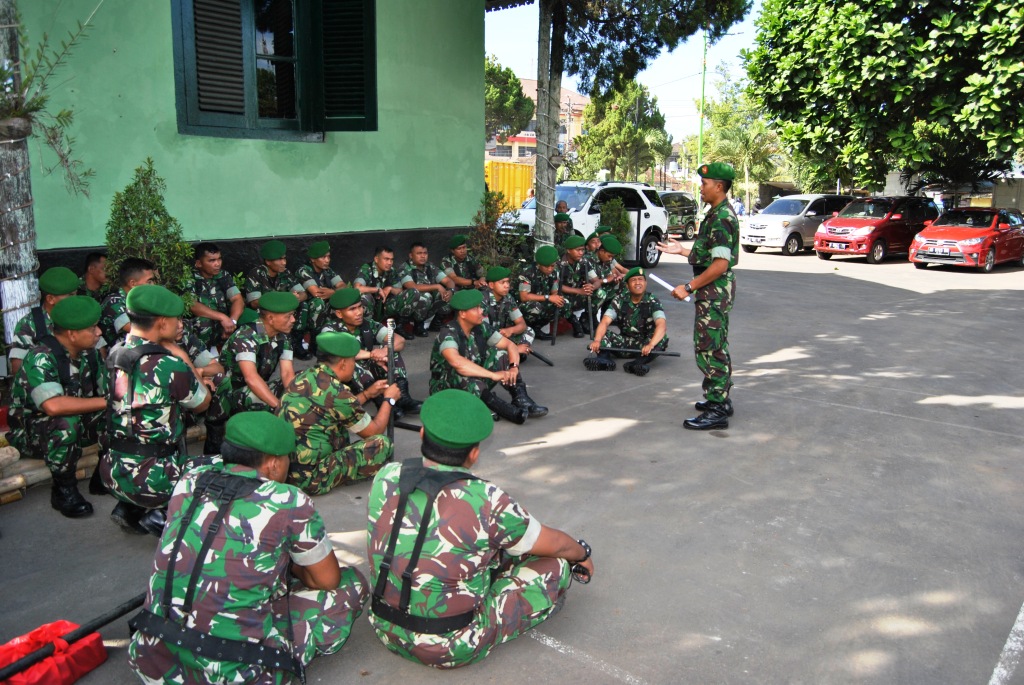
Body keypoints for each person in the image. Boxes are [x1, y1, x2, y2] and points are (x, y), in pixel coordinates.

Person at [128, 411, 368, 684]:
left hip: (151, 659)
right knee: (351, 585)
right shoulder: (287, 500)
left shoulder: (189, 481)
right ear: (274, 464)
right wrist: (292, 565)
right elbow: (327, 579)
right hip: (235, 674)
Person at [366, 389, 594, 669]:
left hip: (385, 627)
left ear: (422, 433)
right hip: (451, 645)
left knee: (492, 548)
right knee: (557, 565)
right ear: (474, 454)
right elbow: (555, 544)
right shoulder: (487, 499)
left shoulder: (387, 476)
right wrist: (581, 553)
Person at [99, 285, 212, 535]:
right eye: (176, 319)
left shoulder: (114, 355)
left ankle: (129, 507)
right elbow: (203, 403)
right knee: (219, 472)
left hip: (112, 470)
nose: (179, 324)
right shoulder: (168, 363)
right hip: (157, 478)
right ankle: (162, 515)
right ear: (162, 323)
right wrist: (182, 356)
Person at [657, 162, 740, 430]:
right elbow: (710, 253)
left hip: (713, 293)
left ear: (719, 186)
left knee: (709, 347)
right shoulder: (716, 214)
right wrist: (682, 251)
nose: (700, 188)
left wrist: (689, 287)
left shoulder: (722, 218)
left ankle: (717, 408)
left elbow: (720, 265)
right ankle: (720, 398)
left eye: (704, 184)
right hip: (715, 292)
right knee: (716, 344)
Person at [8, 296, 108, 518]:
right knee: (65, 423)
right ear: (72, 334)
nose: (99, 332)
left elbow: (108, 390)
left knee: (120, 413)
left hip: (75, 421)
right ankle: (64, 490)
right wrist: (109, 402)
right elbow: (53, 406)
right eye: (93, 328)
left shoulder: (89, 354)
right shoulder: (41, 357)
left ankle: (103, 475)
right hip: (34, 433)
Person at [278, 332, 399, 495]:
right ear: (343, 363)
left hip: (285, 470)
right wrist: (389, 400)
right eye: (353, 362)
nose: (354, 367)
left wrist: (368, 394)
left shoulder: (303, 377)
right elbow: (374, 430)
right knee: (382, 444)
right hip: (311, 479)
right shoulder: (338, 392)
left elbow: (332, 405)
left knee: (340, 424)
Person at [429, 289, 545, 423]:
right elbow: (457, 363)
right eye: (476, 308)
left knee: (501, 354)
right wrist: (493, 375)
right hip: (446, 388)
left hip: (474, 380)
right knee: (464, 376)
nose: (481, 311)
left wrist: (513, 367)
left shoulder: (480, 328)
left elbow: (510, 345)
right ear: (462, 313)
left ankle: (520, 398)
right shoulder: (448, 333)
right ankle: (503, 409)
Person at [205, 291, 300, 455]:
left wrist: (296, 401)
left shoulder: (283, 337)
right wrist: (279, 406)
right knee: (261, 399)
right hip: (229, 394)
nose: (293, 320)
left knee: (301, 383)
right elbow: (251, 378)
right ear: (270, 318)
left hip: (254, 387)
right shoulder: (246, 336)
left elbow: (287, 374)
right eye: (289, 316)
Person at [320, 288, 422, 417]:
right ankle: (382, 402)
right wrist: (373, 354)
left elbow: (399, 340)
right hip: (338, 379)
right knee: (350, 360)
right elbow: (344, 353)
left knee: (392, 351)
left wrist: (384, 351)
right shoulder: (329, 330)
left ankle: (402, 397)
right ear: (339, 314)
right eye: (352, 309)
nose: (359, 313)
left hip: (364, 375)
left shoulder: (367, 324)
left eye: (360, 307)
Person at [585, 267, 669, 376]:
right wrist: (596, 341)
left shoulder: (652, 300)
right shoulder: (620, 299)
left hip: (644, 347)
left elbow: (661, 325)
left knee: (662, 337)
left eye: (641, 279)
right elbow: (605, 321)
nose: (638, 283)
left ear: (645, 283)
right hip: (623, 343)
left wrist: (651, 345)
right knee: (602, 333)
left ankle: (637, 364)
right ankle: (604, 360)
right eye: (634, 280)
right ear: (627, 285)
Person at [244, 239, 316, 360]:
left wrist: (297, 297)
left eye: (284, 258)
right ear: (268, 262)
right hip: (265, 312)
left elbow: (303, 294)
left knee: (303, 305)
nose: (284, 262)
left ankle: (296, 343)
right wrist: (283, 299)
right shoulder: (256, 274)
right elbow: (254, 303)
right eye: (280, 259)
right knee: (257, 315)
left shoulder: (285, 273)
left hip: (284, 312)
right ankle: (264, 348)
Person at [7, 266, 80, 376]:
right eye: (70, 295)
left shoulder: (80, 318)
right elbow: (17, 369)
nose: (76, 299)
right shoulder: (29, 324)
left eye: (76, 294)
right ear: (50, 299)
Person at [352, 245, 426, 339]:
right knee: (365, 297)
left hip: (385, 307)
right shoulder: (367, 268)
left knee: (413, 292)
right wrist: (377, 289)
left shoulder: (391, 271)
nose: (390, 263)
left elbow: (400, 291)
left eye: (391, 260)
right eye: (386, 259)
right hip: (371, 308)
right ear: (376, 259)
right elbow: (357, 288)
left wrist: (390, 288)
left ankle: (400, 326)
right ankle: (366, 329)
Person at [188, 242, 244, 352]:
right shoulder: (190, 278)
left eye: (219, 259)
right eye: (212, 260)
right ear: (199, 263)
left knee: (257, 320)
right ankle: (203, 357)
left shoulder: (223, 275)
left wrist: (232, 321)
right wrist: (222, 317)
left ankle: (262, 353)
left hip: (226, 321)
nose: (217, 264)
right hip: (205, 322)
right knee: (203, 323)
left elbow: (237, 299)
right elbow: (192, 305)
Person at [398, 242, 455, 337]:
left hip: (427, 305)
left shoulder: (430, 266)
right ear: (411, 255)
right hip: (408, 306)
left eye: (425, 253)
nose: (423, 256)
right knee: (425, 296)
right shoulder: (405, 267)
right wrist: (437, 286)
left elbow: (449, 281)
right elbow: (412, 286)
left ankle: (436, 323)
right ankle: (417, 325)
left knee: (450, 294)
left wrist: (450, 291)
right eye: (419, 253)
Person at [99, 257, 157, 348]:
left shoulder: (142, 300)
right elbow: (139, 330)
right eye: (149, 281)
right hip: (122, 357)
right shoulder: (114, 302)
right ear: (133, 283)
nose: (153, 285)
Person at [295, 240, 345, 343]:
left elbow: (343, 286)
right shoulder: (304, 270)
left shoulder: (327, 270)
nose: (327, 260)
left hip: (325, 307)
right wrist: (334, 291)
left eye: (328, 257)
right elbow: (317, 293)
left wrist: (333, 292)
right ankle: (314, 340)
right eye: (323, 257)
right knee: (318, 302)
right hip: (308, 309)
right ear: (313, 259)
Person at [480, 266, 534, 354]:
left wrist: (510, 330)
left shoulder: (508, 298)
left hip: (501, 335)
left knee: (529, 331)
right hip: (486, 338)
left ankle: (511, 353)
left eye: (508, 282)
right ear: (491, 285)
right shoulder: (482, 300)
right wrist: (514, 348)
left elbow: (522, 324)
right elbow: (484, 332)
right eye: (502, 282)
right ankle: (512, 353)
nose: (507, 285)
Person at [517, 245, 563, 341]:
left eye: (552, 266)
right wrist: (548, 297)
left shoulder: (554, 272)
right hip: (523, 306)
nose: (550, 269)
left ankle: (536, 328)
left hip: (542, 301)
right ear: (539, 264)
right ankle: (526, 329)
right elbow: (524, 297)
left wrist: (555, 298)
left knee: (563, 303)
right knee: (535, 306)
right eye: (547, 266)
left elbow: (554, 291)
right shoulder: (527, 272)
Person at [557, 235, 596, 338]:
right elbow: (557, 286)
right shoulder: (560, 263)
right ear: (568, 251)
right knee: (560, 300)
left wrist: (591, 287)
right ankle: (574, 322)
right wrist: (579, 291)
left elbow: (596, 280)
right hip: (565, 295)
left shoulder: (584, 262)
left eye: (582, 250)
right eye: (578, 250)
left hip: (579, 295)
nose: (581, 253)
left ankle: (585, 319)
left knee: (600, 293)